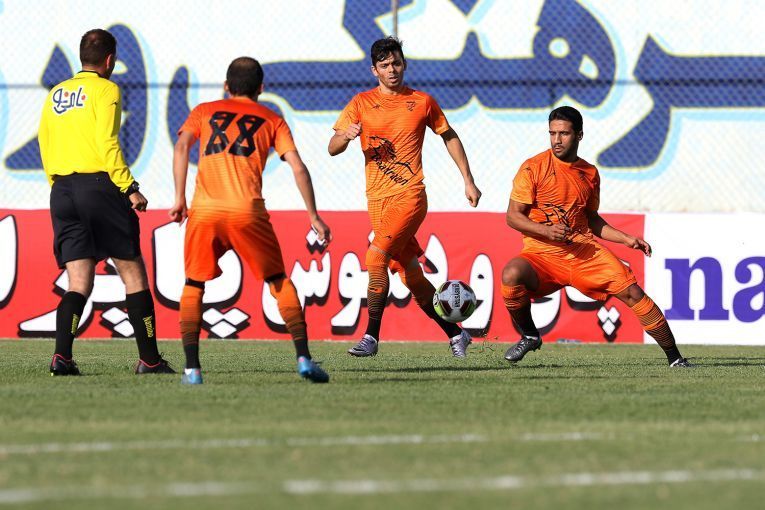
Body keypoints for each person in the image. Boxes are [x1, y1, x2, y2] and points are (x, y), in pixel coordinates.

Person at [169, 56, 331, 385]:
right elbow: (298, 167)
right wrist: (313, 215)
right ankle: (303, 358)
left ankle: (192, 370)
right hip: (248, 211)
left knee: (194, 285)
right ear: (261, 88)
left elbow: (182, 146)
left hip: (205, 211)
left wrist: (179, 198)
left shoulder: (204, 111)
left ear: (226, 86)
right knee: (278, 281)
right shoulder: (273, 119)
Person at [501, 106, 691, 367]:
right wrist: (547, 231)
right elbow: (513, 217)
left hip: (583, 252)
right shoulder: (533, 168)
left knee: (634, 293)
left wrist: (626, 239)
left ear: (579, 135)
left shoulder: (589, 173)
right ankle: (530, 336)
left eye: (564, 133)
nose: (557, 140)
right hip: (542, 255)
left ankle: (675, 359)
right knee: (511, 274)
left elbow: (591, 220)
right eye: (552, 133)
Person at [328, 37, 482, 358]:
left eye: (396, 63)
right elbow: (333, 147)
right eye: (384, 65)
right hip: (377, 201)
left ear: (404, 64)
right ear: (374, 70)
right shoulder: (360, 103)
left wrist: (468, 180)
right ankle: (456, 334)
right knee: (410, 275)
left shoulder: (422, 101)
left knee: (375, 258)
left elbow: (448, 135)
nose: (392, 70)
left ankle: (371, 337)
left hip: (410, 196)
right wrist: (346, 136)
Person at [38, 29, 173, 376]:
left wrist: (58, 184)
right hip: (99, 186)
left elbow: (44, 141)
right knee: (132, 273)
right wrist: (129, 187)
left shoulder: (56, 93)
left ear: (81, 56)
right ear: (110, 60)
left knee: (78, 282)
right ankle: (150, 360)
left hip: (62, 191)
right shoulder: (106, 89)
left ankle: (61, 358)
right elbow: (107, 142)